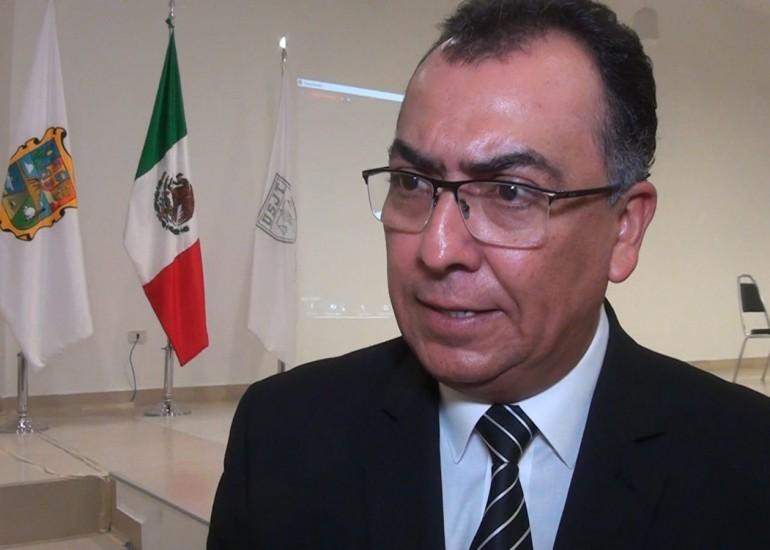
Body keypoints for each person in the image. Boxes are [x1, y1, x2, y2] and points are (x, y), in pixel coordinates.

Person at [208, 0, 770, 548]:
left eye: (510, 192)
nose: (437, 249)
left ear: (624, 229)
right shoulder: (281, 434)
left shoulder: (747, 462)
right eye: (411, 182)